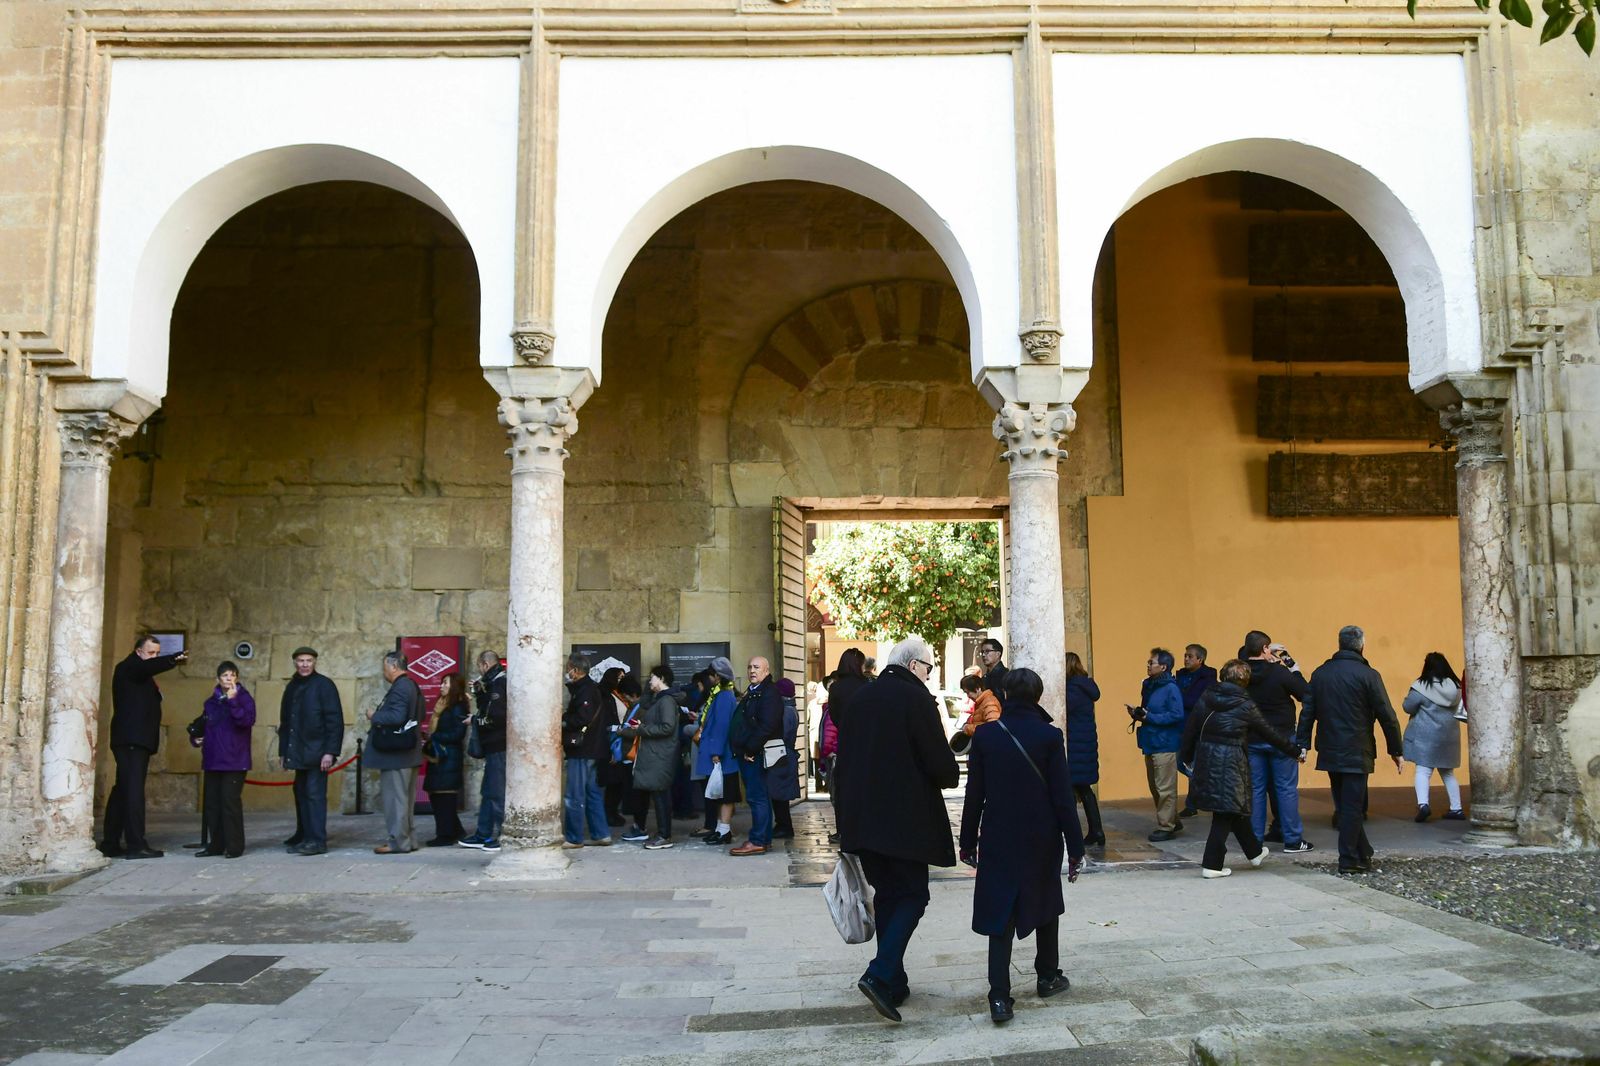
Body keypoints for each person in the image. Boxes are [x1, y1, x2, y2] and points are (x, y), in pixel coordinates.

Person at [835, 636, 959, 1023]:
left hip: (862, 820)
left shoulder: (861, 699)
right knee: (913, 895)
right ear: (912, 666)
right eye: (928, 668)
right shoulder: (915, 699)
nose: (929, 676)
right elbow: (941, 767)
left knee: (889, 896)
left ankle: (894, 981)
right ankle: (878, 972)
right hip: (904, 821)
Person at [958, 667, 1085, 1024]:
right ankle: (1047, 976)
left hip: (999, 833)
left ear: (1008, 696)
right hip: (1041, 835)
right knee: (1045, 900)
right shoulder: (1048, 736)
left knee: (1001, 911)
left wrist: (967, 840)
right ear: (1039, 696)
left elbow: (974, 796)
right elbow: (1063, 798)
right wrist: (1075, 847)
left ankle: (999, 996)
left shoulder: (986, 737)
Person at [1180, 659, 1303, 878]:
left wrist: (1186, 758)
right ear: (1245, 681)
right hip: (1232, 761)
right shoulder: (1245, 704)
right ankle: (1212, 864)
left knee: (1232, 807)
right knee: (1225, 812)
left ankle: (1254, 853)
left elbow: (1191, 728)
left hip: (1208, 758)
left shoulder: (1207, 696)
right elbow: (1269, 733)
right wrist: (1294, 751)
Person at [1295, 626, 1403, 874]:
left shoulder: (1321, 674)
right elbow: (1387, 715)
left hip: (1331, 747)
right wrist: (1395, 749)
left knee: (1345, 805)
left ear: (1340, 644)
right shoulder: (1368, 675)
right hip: (1358, 747)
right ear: (1362, 646)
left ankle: (1363, 853)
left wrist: (1303, 745)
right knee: (1351, 807)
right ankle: (1348, 859)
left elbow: (1307, 713)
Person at [100, 634, 188, 859]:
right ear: (138, 651)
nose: (154, 657)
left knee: (123, 791)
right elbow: (144, 669)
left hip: (135, 740)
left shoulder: (141, 671)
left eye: (157, 653)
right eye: (150, 653)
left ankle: (110, 842)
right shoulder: (129, 667)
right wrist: (171, 659)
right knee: (133, 793)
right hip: (131, 740)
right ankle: (136, 845)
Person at [1243, 631, 1314, 854]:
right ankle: (1292, 840)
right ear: (1265, 649)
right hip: (1282, 737)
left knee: (1255, 789)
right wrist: (1293, 668)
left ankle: (1254, 841)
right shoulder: (1279, 672)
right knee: (1286, 789)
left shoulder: (1241, 672)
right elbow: (1305, 694)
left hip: (1252, 737)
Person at [279, 646, 343, 856]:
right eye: (300, 661)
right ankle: (304, 835)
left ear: (315, 662)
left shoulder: (324, 685)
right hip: (297, 751)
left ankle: (317, 840)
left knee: (315, 796)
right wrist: (283, 752)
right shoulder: (292, 687)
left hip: (318, 753)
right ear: (295, 663)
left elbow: (334, 721)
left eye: (308, 660)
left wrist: (330, 752)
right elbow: (286, 722)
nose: (304, 664)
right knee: (301, 793)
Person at [192, 660, 255, 858]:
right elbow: (203, 724)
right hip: (213, 759)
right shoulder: (211, 702)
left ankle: (234, 846)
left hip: (235, 760)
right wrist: (196, 738)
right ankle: (216, 844)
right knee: (212, 804)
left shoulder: (244, 698)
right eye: (225, 676)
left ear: (236, 678)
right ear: (218, 679)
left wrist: (233, 700)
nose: (229, 679)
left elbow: (246, 721)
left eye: (232, 675)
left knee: (230, 803)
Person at [367, 651, 424, 855]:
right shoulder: (412, 686)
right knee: (405, 801)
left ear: (393, 666)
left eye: (384, 667)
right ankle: (409, 840)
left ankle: (398, 842)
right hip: (407, 753)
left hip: (397, 755)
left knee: (396, 801)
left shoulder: (401, 687)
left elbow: (397, 716)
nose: (384, 672)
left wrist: (375, 715)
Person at [619, 664, 681, 849]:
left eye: (652, 677)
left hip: (661, 754)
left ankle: (664, 836)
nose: (649, 681)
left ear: (661, 678)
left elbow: (667, 727)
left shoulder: (666, 701)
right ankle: (663, 832)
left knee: (661, 795)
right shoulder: (660, 700)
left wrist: (641, 729)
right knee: (658, 793)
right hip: (656, 753)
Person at [728, 656, 783, 856]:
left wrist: (750, 749)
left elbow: (767, 726)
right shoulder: (755, 691)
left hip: (756, 755)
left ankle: (758, 840)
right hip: (749, 752)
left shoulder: (769, 693)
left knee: (757, 797)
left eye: (757, 667)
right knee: (759, 797)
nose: (752, 670)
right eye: (750, 666)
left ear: (766, 671)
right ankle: (763, 839)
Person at [1402, 652, 1467, 822]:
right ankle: (1456, 808)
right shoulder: (1456, 686)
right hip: (1449, 736)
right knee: (1448, 773)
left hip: (1426, 736)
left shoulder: (1422, 686)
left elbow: (1408, 707)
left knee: (1423, 771)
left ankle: (1423, 805)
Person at [1130, 647, 1185, 842]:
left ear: (1163, 666)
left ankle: (1166, 826)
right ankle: (1173, 819)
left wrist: (1149, 716)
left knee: (1165, 787)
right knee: (1156, 786)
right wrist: (1139, 714)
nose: (1148, 665)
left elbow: (1177, 714)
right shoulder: (1150, 685)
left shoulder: (1171, 688)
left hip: (1165, 742)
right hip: (1151, 740)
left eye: (1151, 663)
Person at [560, 652, 612, 849]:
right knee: (593, 793)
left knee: (574, 795)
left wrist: (563, 721)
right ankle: (601, 834)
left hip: (583, 750)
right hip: (594, 749)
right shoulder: (589, 688)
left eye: (567, 668)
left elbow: (582, 717)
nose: (566, 671)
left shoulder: (585, 690)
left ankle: (574, 838)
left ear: (575, 669)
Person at [459, 650, 506, 850]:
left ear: (485, 664)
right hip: (493, 746)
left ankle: (504, 835)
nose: (479, 670)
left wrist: (475, 720)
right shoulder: (491, 683)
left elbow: (496, 716)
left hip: (499, 745)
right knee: (488, 791)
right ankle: (483, 833)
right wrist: (479, 692)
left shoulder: (499, 683)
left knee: (497, 792)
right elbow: (487, 708)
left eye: (479, 666)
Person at [694, 657, 742, 847]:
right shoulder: (722, 694)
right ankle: (722, 830)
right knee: (721, 793)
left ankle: (724, 830)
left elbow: (721, 726)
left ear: (716, 676)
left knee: (725, 793)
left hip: (721, 754)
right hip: (720, 752)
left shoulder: (723, 696)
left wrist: (716, 752)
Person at [423, 672, 469, 846]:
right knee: (436, 795)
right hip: (439, 757)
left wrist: (436, 736)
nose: (441, 686)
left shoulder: (457, 707)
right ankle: (455, 830)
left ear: (454, 686)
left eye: (445, 683)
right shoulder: (442, 705)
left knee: (445, 798)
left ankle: (446, 835)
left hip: (448, 757)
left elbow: (458, 733)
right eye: (442, 683)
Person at [1063, 652, 1104, 847]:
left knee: (1071, 789)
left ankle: (1075, 833)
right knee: (1084, 789)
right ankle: (1097, 831)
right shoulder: (1085, 686)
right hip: (1084, 744)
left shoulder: (1073, 689)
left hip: (1074, 744)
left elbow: (1063, 711)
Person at [1174, 644, 1217, 818]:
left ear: (1200, 660)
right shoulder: (1180, 676)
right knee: (1182, 762)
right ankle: (1201, 786)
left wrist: (1178, 700)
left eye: (1190, 656)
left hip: (1199, 726)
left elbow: (1196, 701)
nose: (1186, 659)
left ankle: (1192, 803)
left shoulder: (1208, 677)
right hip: (1180, 725)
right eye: (1185, 655)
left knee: (1194, 763)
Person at [767, 677, 802, 840]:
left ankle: (784, 826)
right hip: (784, 754)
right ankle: (782, 824)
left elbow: (783, 734)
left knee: (779, 793)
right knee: (779, 793)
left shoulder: (786, 711)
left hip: (781, 755)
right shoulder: (790, 709)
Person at [959, 672, 1001, 736]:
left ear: (978, 689)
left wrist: (968, 728)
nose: (968, 696)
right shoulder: (981, 703)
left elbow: (993, 729)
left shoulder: (989, 703)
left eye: (968, 692)